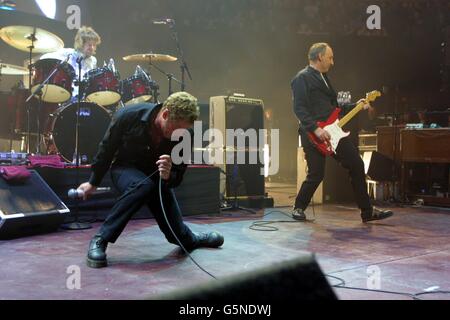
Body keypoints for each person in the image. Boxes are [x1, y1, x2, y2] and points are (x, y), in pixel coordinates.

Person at [77, 91, 224, 268]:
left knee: (176, 235)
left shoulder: (186, 134)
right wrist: (93, 182)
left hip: (157, 176)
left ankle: (191, 239)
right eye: (176, 128)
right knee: (143, 186)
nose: (179, 134)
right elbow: (106, 150)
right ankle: (101, 239)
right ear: (165, 114)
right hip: (125, 168)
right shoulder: (128, 115)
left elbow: (178, 176)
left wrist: (170, 174)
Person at [291, 42, 393, 223]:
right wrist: (316, 128)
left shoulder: (325, 78)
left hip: (333, 132)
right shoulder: (301, 78)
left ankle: (367, 212)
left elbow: (335, 107)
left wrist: (358, 105)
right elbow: (299, 109)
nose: (332, 62)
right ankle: (299, 207)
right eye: (330, 57)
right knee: (316, 174)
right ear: (320, 57)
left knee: (356, 164)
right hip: (312, 133)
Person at [40, 26, 101, 98]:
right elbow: (44, 57)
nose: (92, 48)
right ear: (81, 43)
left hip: (85, 98)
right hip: (67, 96)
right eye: (89, 45)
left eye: (94, 45)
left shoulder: (93, 60)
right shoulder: (67, 53)